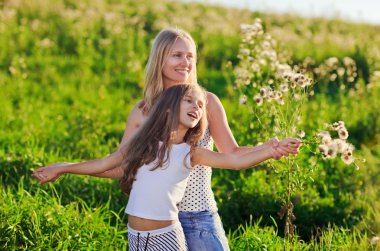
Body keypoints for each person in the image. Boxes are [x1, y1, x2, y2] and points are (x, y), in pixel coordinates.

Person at [33, 28, 301, 250]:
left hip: (198, 217)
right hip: (152, 223)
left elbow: (232, 153)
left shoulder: (206, 102)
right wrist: (68, 169)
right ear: (160, 59)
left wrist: (268, 148)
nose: (186, 62)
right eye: (177, 55)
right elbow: (122, 166)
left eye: (190, 56)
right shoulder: (143, 111)